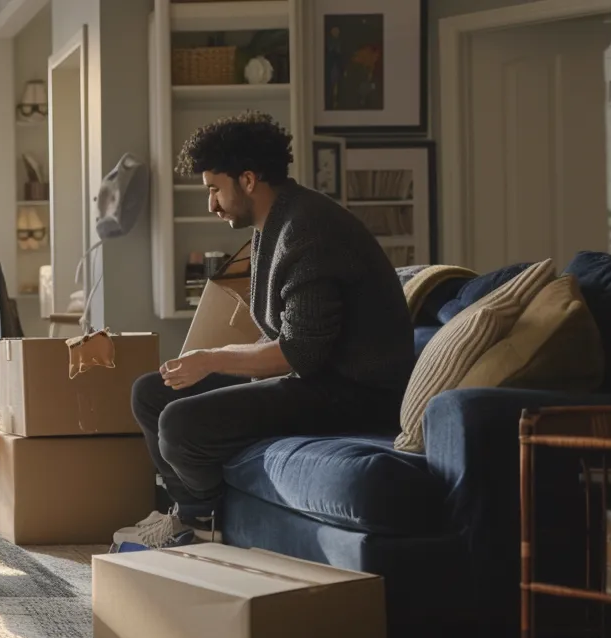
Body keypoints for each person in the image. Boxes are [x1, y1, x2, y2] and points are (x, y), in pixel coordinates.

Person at [118, 111, 414, 549]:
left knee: (181, 423)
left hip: (353, 393)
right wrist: (208, 365)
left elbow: (298, 354)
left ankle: (203, 524)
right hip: (311, 379)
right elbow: (281, 338)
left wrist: (212, 360)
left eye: (215, 189)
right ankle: (190, 514)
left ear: (249, 180)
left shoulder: (308, 229)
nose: (211, 204)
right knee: (152, 392)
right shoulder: (273, 225)